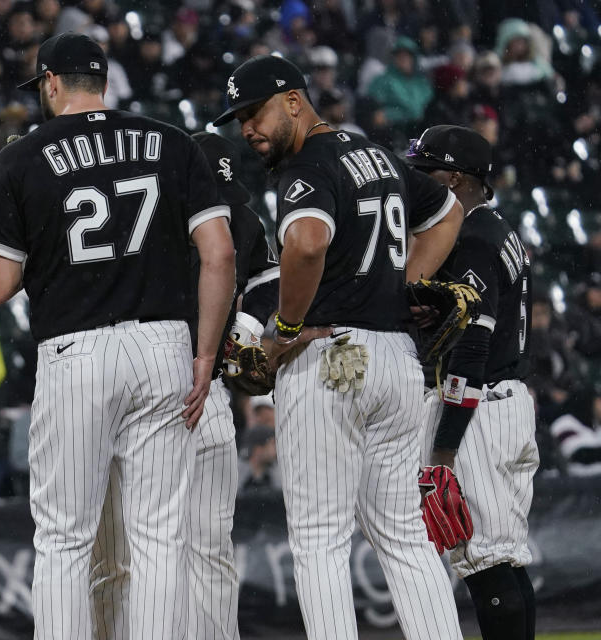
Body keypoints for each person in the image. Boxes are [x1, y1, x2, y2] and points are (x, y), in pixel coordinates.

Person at [0, 33, 236, 640]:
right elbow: (218, 254)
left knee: (65, 539)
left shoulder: (23, 156)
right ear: (104, 82)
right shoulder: (172, 143)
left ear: (51, 84)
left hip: (76, 350)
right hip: (165, 344)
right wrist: (205, 356)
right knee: (158, 536)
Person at [214, 54, 465, 639]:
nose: (247, 128)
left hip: (330, 360)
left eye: (255, 112)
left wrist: (283, 331)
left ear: (295, 102)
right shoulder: (374, 155)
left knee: (320, 540)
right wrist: (401, 283)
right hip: (398, 360)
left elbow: (305, 244)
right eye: (239, 119)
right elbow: (448, 211)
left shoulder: (308, 166)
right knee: (405, 536)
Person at [89, 131, 280, 640]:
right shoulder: (157, 215)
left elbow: (267, 276)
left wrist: (245, 328)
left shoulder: (237, 216)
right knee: (144, 550)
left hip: (198, 386)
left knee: (195, 545)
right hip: (151, 386)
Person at [407, 124, 538, 640]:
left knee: (485, 564)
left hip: (478, 409)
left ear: (455, 179)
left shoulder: (475, 235)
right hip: (507, 402)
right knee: (505, 558)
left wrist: (444, 450)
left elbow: (475, 342)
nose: (418, 183)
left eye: (426, 172)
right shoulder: (500, 229)